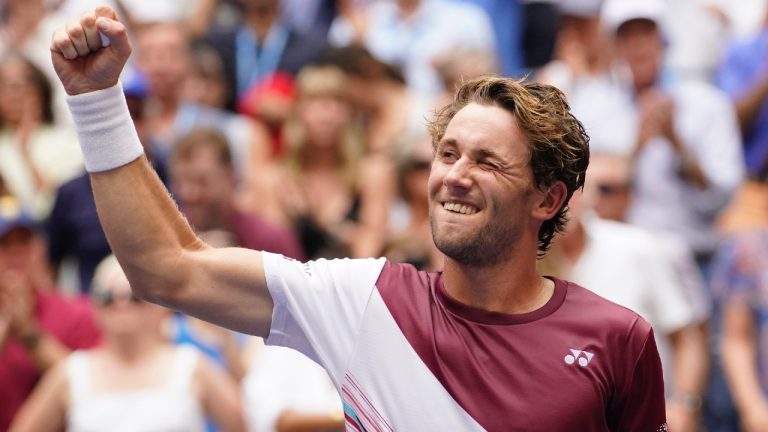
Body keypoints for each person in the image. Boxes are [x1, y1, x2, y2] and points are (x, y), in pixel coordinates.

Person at [50, 7, 667, 431]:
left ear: (548, 199)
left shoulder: (618, 339)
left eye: (487, 162)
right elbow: (167, 269)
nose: (454, 174)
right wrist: (98, 103)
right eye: (447, 153)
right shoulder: (363, 300)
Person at [9, 255, 245, 432]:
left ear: (161, 307)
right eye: (108, 297)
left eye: (135, 297)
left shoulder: (191, 364)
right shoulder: (71, 372)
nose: (121, 303)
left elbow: (248, 424)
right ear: (93, 307)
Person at [0, 198, 100, 431]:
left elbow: (90, 390)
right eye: (4, 245)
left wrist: (27, 332)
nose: (16, 254)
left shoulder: (79, 312)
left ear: (42, 248)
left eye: (24, 243)